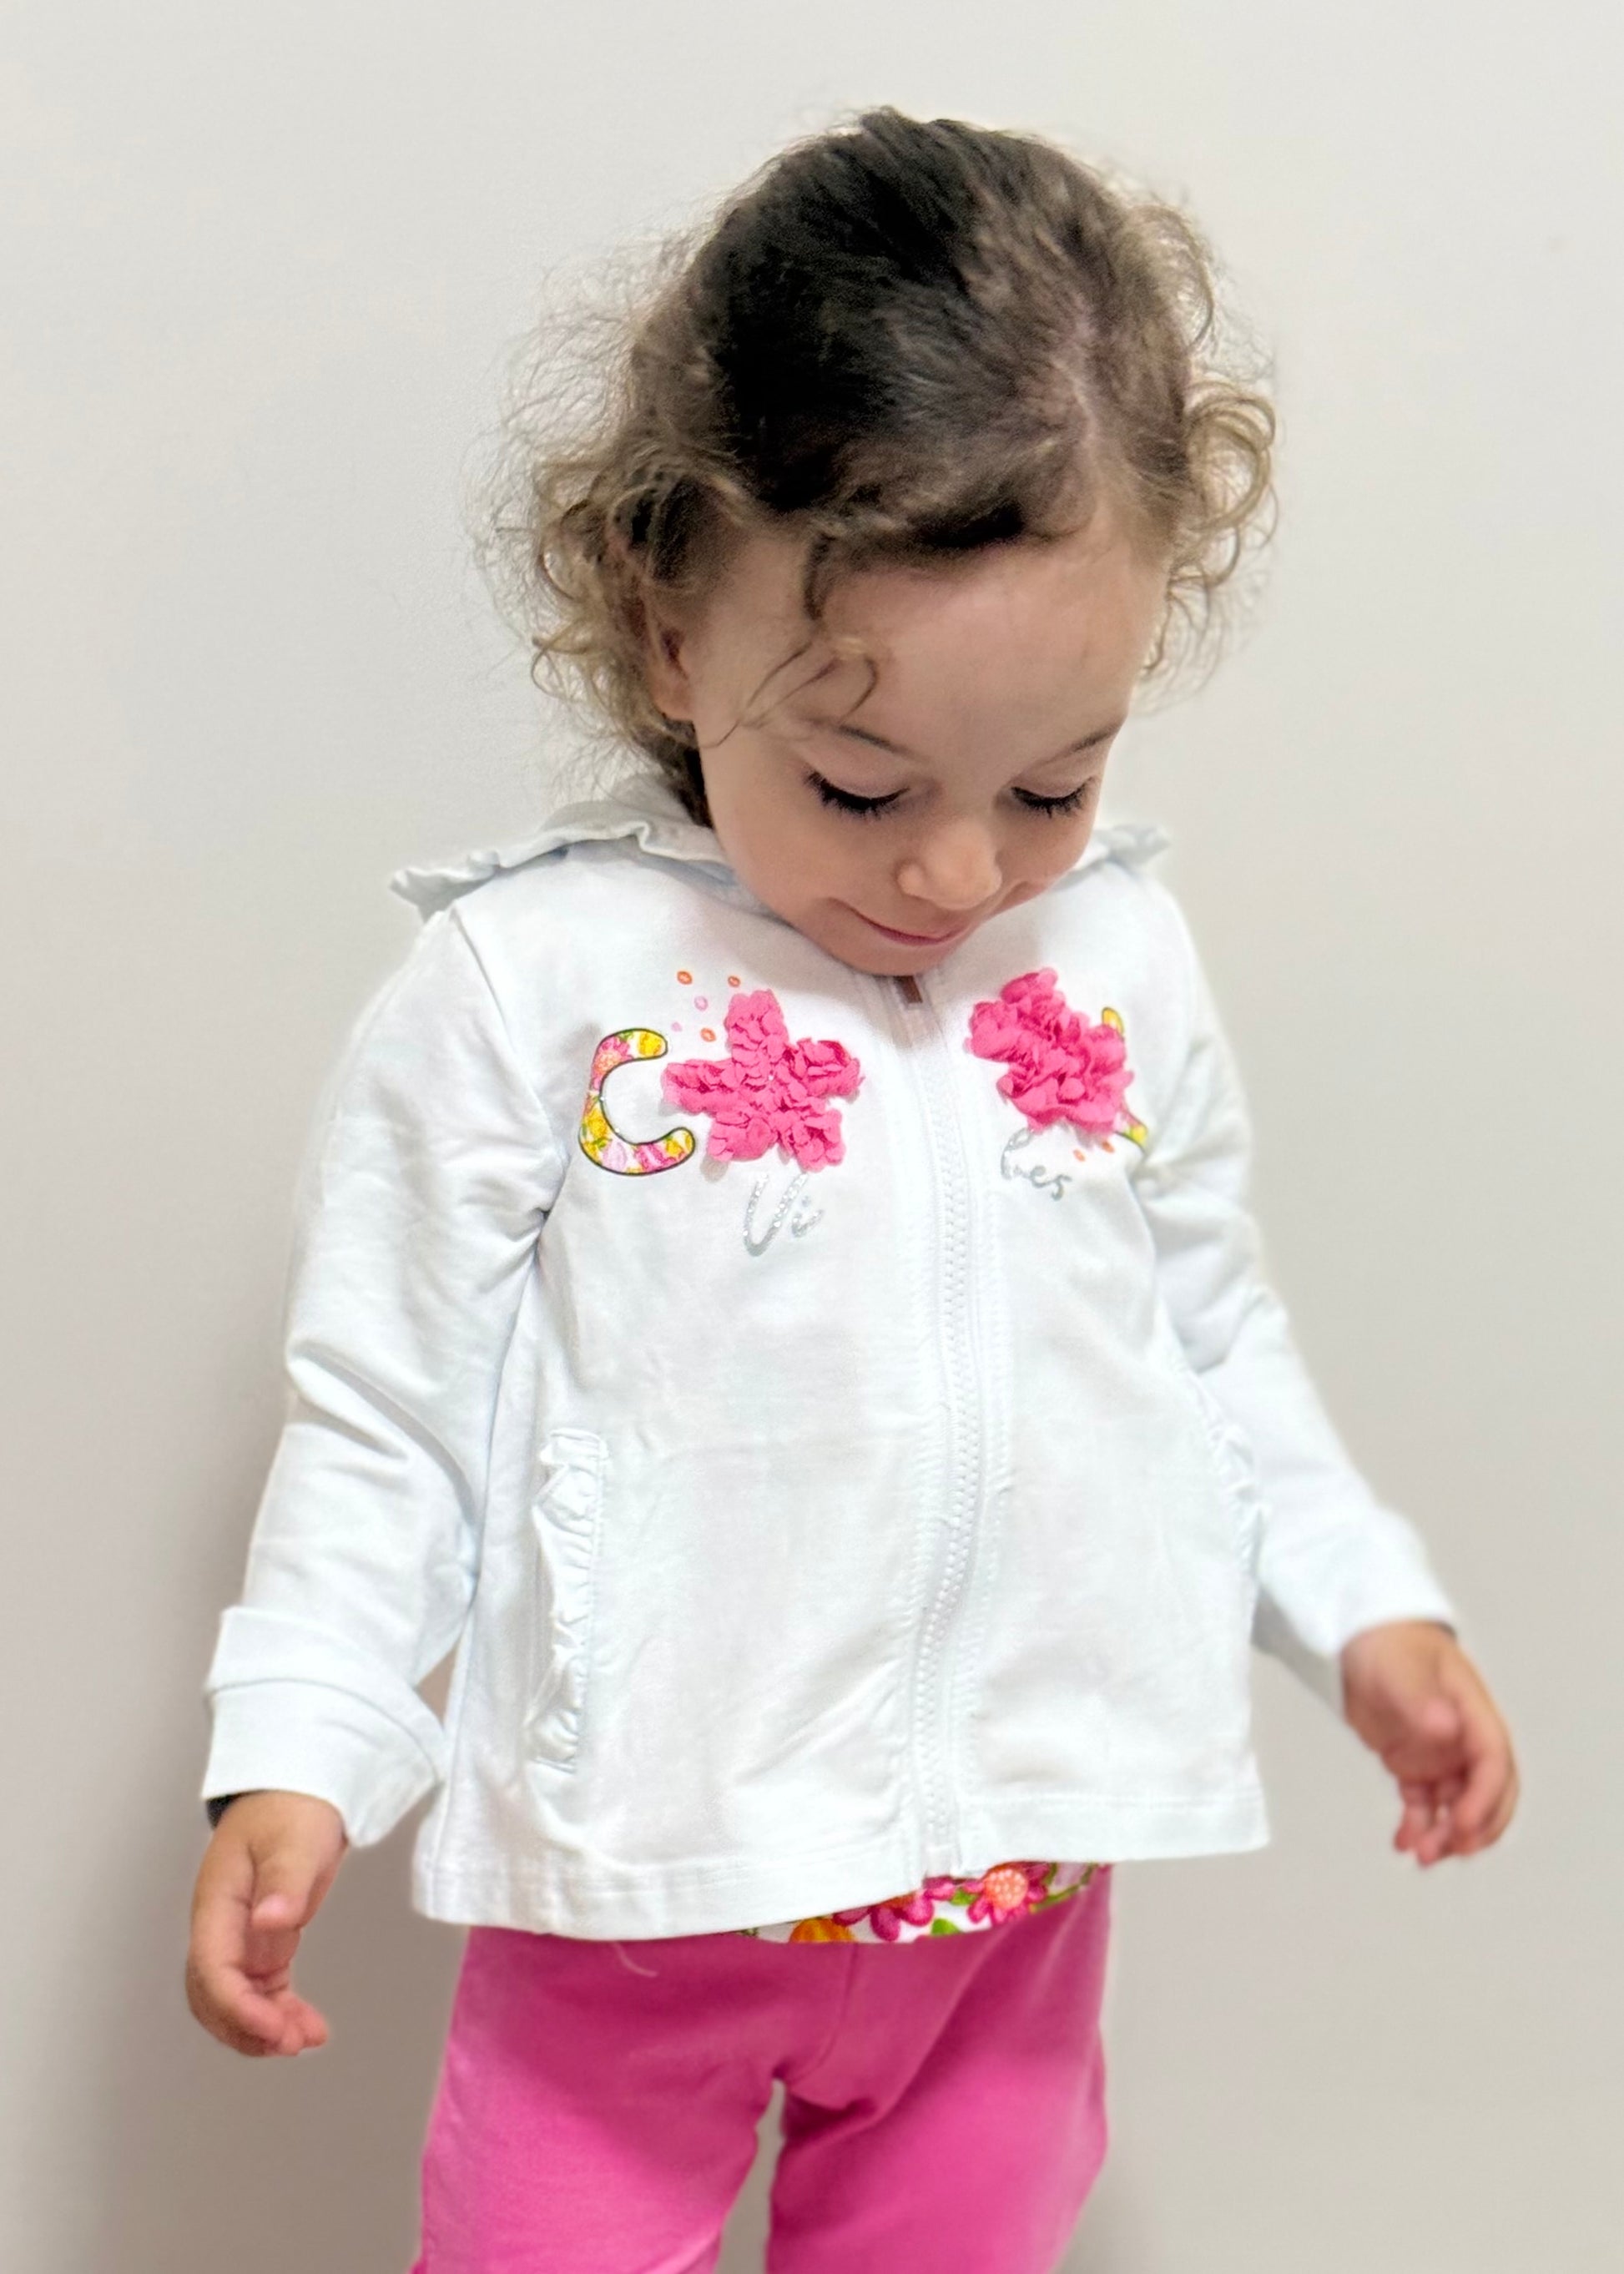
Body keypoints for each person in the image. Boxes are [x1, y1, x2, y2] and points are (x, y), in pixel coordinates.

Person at [184, 107, 1518, 2272]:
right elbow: (386, 1418)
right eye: (861, 782)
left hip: (1011, 1906)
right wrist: (299, 1749)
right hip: (641, 1897)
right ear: (663, 622)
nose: (957, 872)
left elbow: (1208, 1341)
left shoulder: (1114, 961)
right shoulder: (534, 985)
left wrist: (1364, 1606)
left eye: (1053, 784)